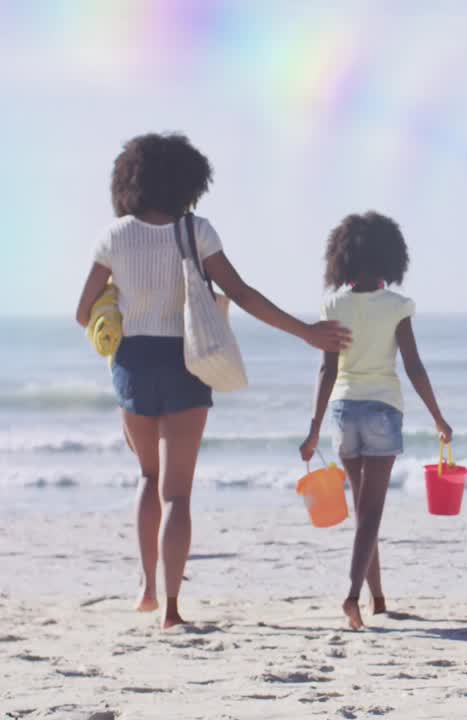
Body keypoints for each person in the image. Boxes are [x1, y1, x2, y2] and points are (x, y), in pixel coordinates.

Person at [75, 132, 351, 628]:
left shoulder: (113, 237)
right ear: (188, 179)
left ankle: (147, 588)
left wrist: (122, 299)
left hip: (133, 363)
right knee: (178, 493)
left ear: (128, 180)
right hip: (188, 360)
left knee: (147, 478)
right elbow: (242, 294)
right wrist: (306, 332)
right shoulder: (196, 231)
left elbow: (83, 314)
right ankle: (173, 610)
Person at [299, 211, 454, 631]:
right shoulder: (398, 307)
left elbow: (326, 372)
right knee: (370, 512)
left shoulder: (334, 305)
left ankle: (378, 599)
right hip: (383, 411)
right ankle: (352, 596)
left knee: (365, 510)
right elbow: (414, 367)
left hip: (344, 411)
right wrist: (438, 417)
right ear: (391, 257)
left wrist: (314, 429)